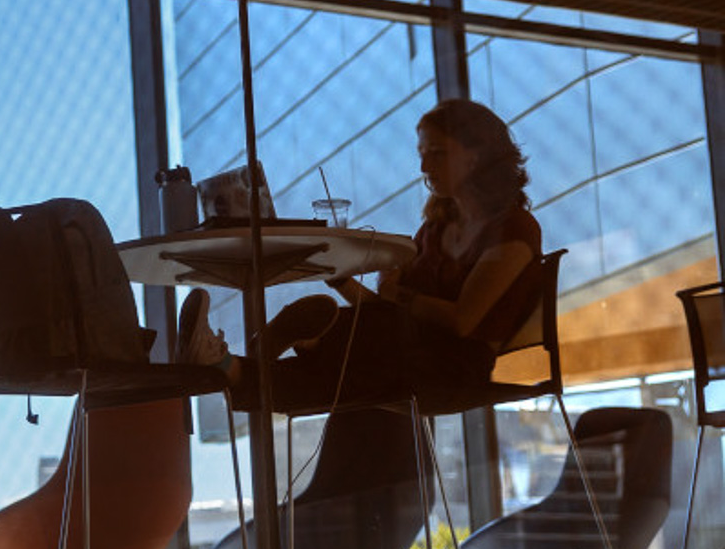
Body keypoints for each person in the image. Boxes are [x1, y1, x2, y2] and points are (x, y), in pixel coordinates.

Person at [180, 98, 542, 411]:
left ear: (476, 155)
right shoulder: (433, 231)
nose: (424, 168)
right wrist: (341, 281)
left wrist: (399, 295)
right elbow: (387, 307)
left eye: (437, 153)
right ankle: (238, 362)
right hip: (402, 350)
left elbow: (464, 320)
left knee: (356, 351)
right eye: (422, 155)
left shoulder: (513, 229)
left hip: (456, 365)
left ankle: (299, 344)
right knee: (349, 363)